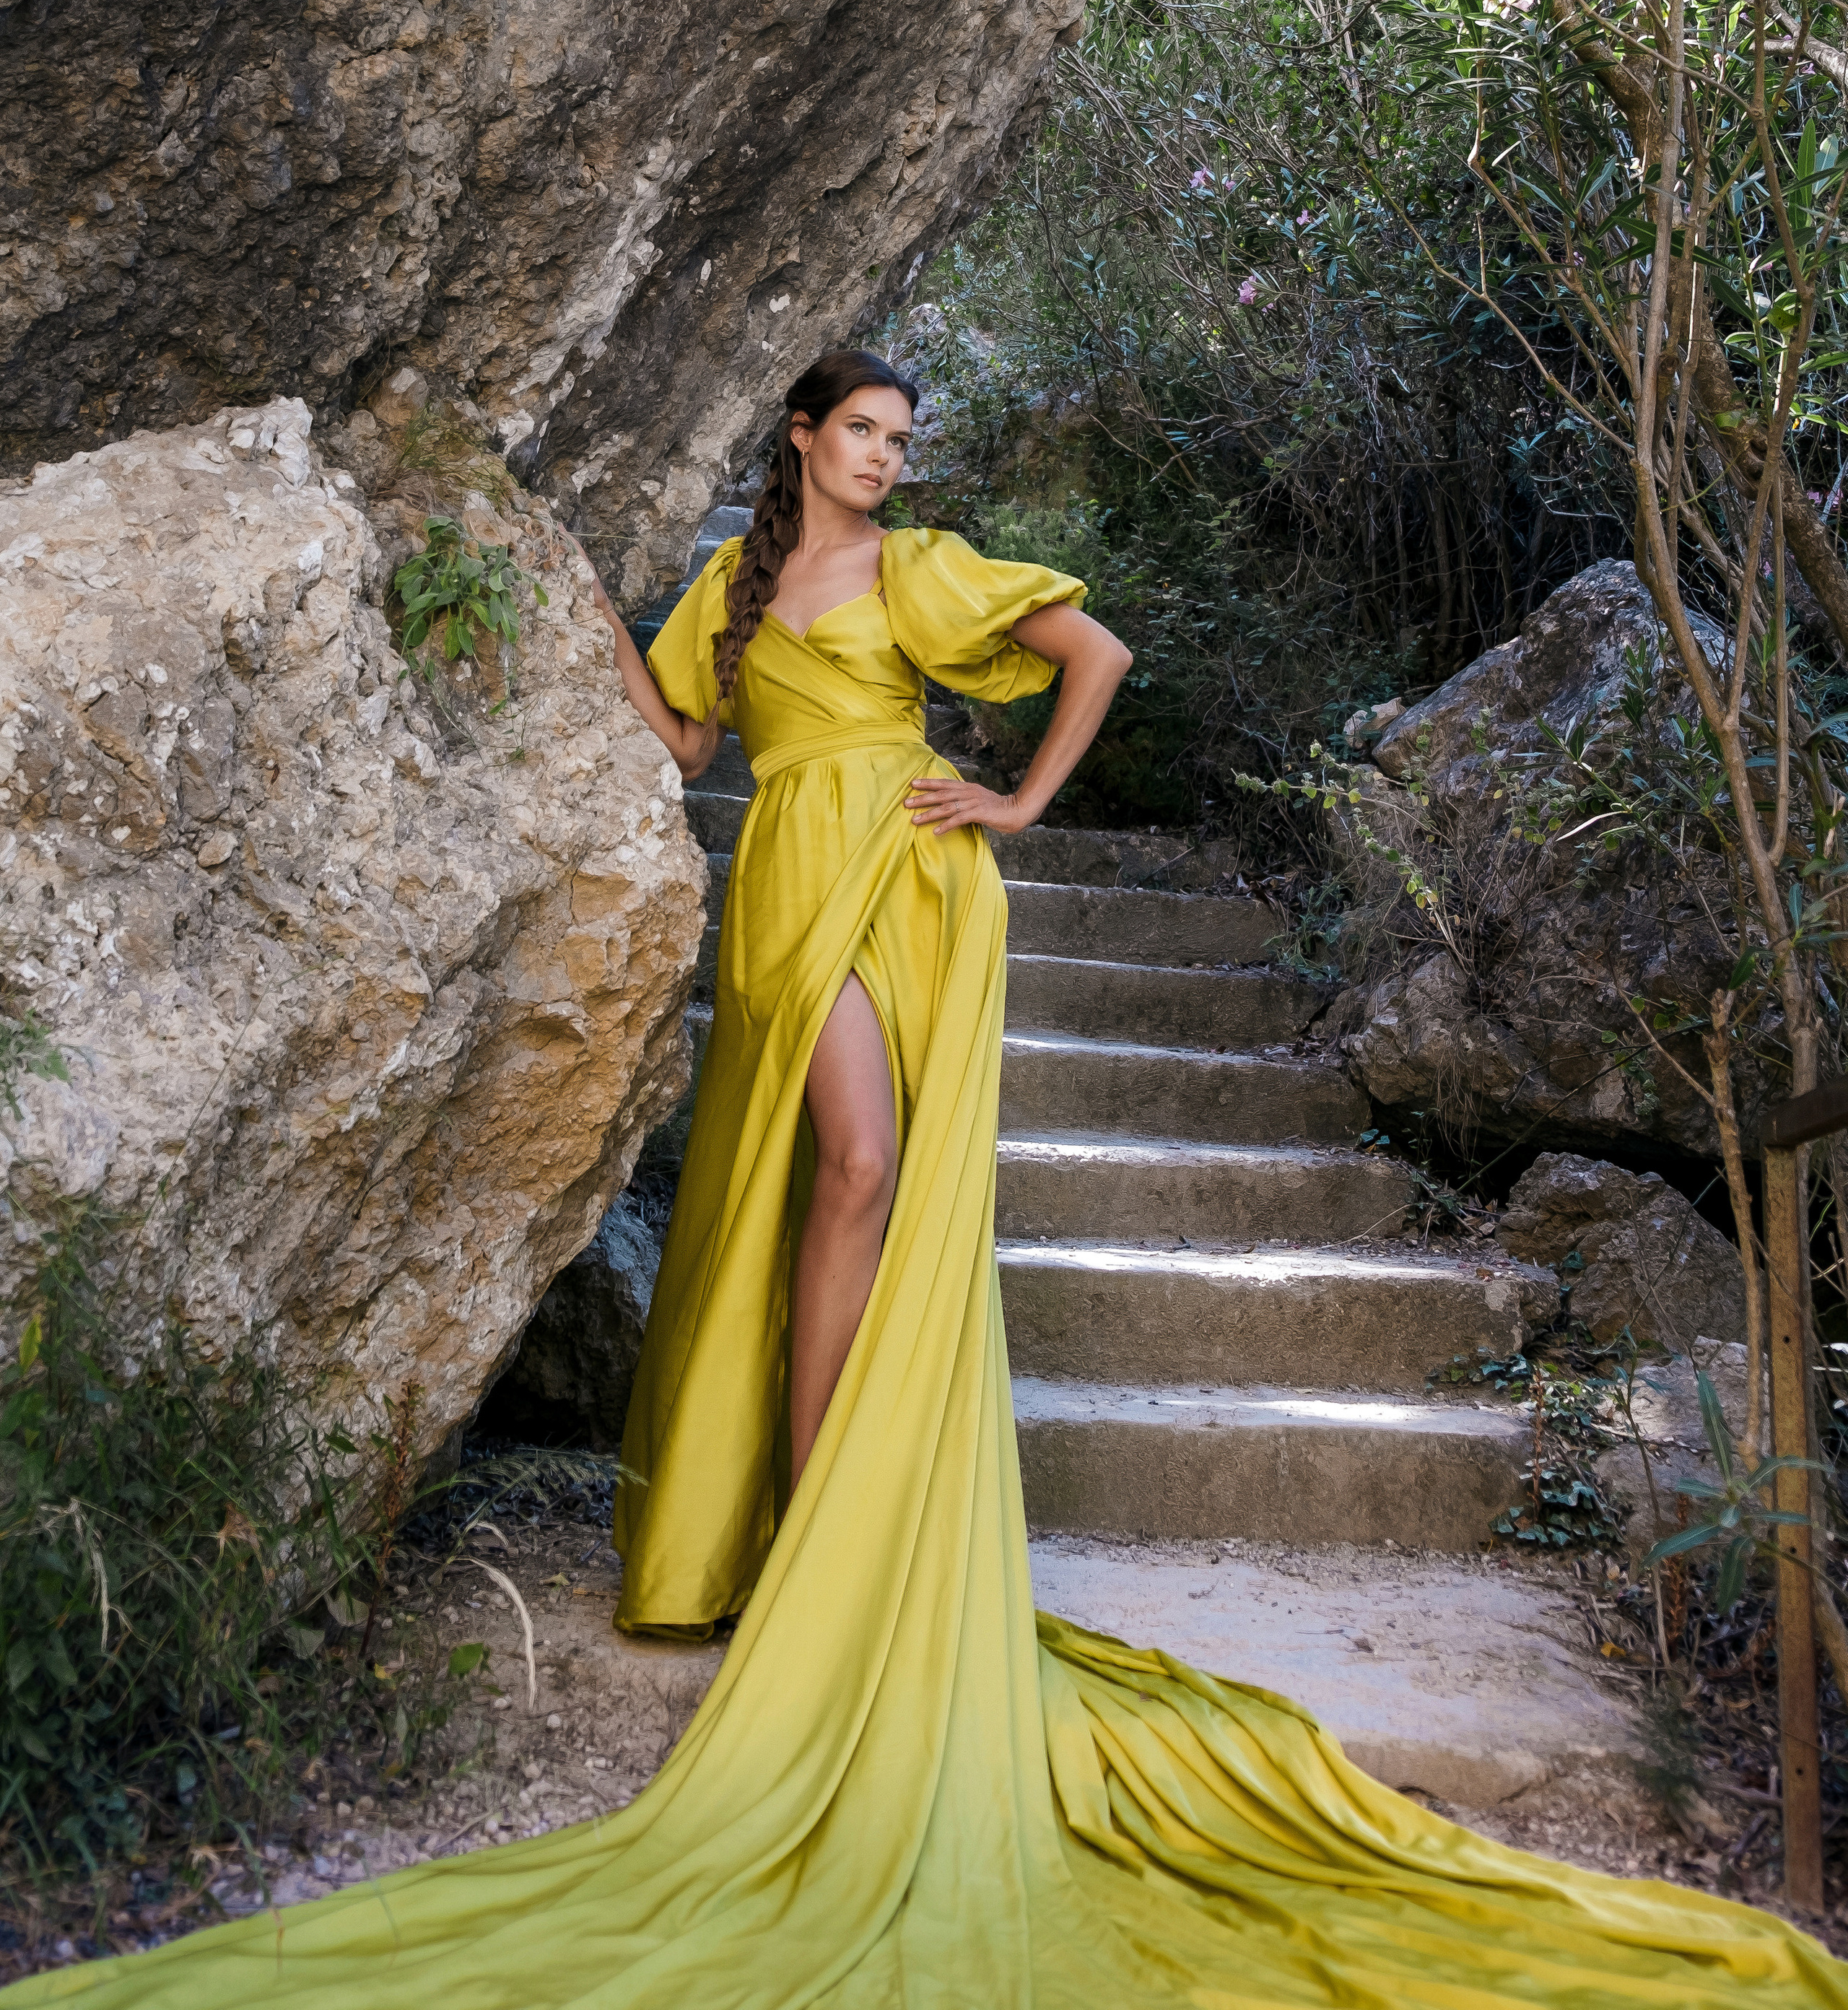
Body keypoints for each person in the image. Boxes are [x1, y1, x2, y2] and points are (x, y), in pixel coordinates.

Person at [25, 350, 1847, 2009]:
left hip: (909, 885)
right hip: (784, 885)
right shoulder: (732, 590)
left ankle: (823, 1514)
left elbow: (1095, 657)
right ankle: (807, 1507)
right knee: (823, 1177)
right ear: (803, 441)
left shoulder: (921, 571)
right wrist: (587, 606)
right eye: (868, 434)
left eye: (906, 439)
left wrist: (1017, 805)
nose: (892, 461)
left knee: (868, 1172)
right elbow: (681, 747)